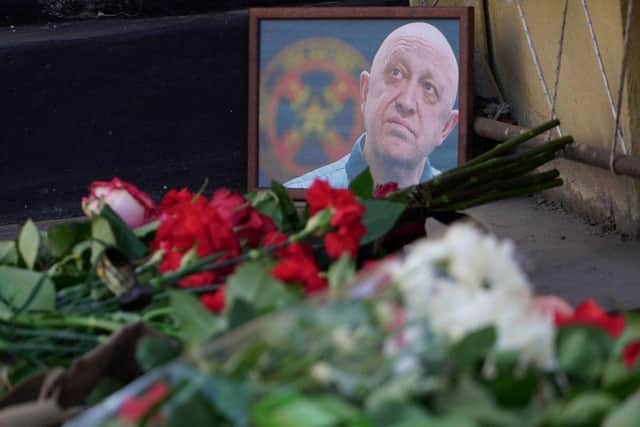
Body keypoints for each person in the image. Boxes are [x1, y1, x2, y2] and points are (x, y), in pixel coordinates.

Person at [285, 22, 459, 189]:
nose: (406, 103)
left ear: (445, 128)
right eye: (396, 73)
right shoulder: (293, 203)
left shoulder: (465, 208)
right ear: (365, 91)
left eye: (429, 88)